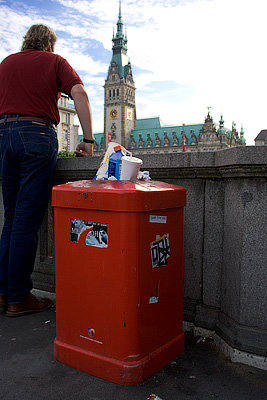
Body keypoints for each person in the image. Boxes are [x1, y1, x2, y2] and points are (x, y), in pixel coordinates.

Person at [0, 24, 95, 316]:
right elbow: (78, 91)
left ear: (26, 41)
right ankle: (19, 297)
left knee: (11, 217)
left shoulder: (6, 63)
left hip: (3, 136)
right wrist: (89, 140)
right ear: (50, 44)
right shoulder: (54, 62)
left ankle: (4, 294)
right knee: (27, 220)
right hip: (36, 134)